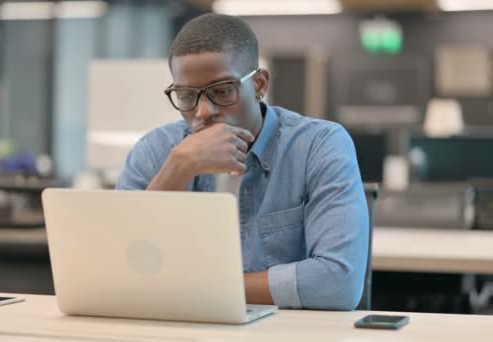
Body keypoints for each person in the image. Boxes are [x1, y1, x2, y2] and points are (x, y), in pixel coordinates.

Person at [116, 13, 368, 311]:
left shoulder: (319, 145)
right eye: (186, 96)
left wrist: (194, 289)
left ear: (259, 84)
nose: (204, 111)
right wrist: (179, 168)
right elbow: (121, 274)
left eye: (222, 91)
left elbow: (338, 284)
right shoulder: (156, 151)